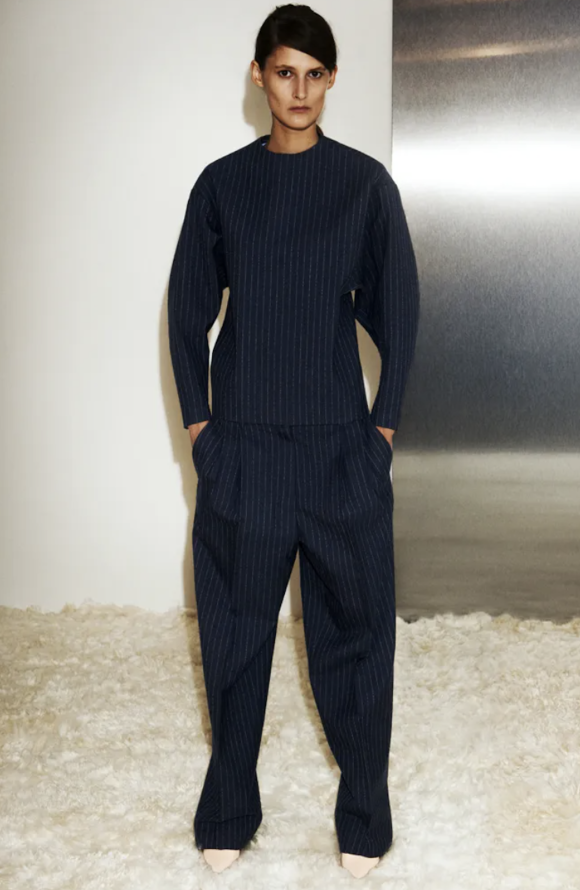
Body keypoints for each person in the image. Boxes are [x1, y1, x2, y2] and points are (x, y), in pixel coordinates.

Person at [167, 3, 420, 879]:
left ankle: (364, 809)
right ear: (259, 76)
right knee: (236, 633)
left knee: (356, 635)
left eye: (314, 74)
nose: (299, 90)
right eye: (284, 72)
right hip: (244, 450)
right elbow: (187, 310)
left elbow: (400, 313)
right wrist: (201, 427)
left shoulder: (363, 186)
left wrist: (380, 429)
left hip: (340, 449)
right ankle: (228, 804)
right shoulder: (222, 185)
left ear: (331, 80)